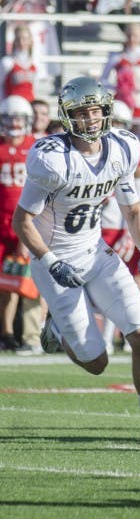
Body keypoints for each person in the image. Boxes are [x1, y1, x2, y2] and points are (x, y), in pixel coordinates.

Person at [11, 77, 140, 445]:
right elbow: (22, 221)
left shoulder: (123, 148)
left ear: (106, 111)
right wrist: (50, 260)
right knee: (97, 362)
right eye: (80, 112)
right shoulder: (52, 160)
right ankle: (58, 328)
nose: (90, 119)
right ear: (67, 116)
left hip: (96, 252)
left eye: (95, 110)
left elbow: (133, 209)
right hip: (56, 260)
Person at [0, 95, 39, 353]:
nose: (14, 122)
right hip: (1, 224)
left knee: (32, 282)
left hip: (28, 221)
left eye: (19, 118)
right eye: (10, 117)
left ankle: (32, 337)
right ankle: (6, 334)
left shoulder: (36, 146)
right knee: (4, 284)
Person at [99, 23, 140, 121]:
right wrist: (119, 87)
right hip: (120, 105)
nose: (132, 39)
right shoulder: (116, 57)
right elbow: (102, 81)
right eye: (129, 35)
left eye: (135, 35)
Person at [2, 23, 45, 102]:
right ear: (14, 41)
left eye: (25, 39)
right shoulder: (7, 62)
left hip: (29, 105)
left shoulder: (35, 63)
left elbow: (35, 89)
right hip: (12, 106)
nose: (21, 42)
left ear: (30, 41)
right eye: (18, 39)